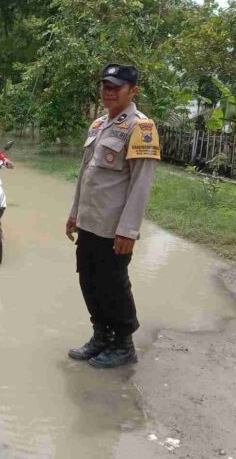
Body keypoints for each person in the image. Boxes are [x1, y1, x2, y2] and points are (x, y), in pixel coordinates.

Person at [65, 64, 160, 368]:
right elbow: (85, 175)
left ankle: (123, 344)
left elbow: (140, 184)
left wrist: (128, 230)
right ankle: (101, 336)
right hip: (89, 222)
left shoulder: (141, 128)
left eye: (115, 87)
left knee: (113, 284)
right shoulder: (97, 125)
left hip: (113, 227)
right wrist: (74, 213)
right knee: (89, 280)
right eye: (104, 85)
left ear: (133, 91)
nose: (107, 91)